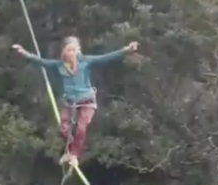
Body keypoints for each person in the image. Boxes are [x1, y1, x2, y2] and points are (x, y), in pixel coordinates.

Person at [11, 37, 139, 167]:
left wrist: (126, 50)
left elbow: (106, 57)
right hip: (70, 103)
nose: (72, 53)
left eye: (74, 50)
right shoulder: (58, 65)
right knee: (64, 129)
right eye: (69, 50)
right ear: (64, 52)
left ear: (78, 51)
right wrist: (24, 53)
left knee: (81, 128)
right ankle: (70, 152)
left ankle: (74, 155)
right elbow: (41, 62)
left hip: (87, 101)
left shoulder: (85, 62)